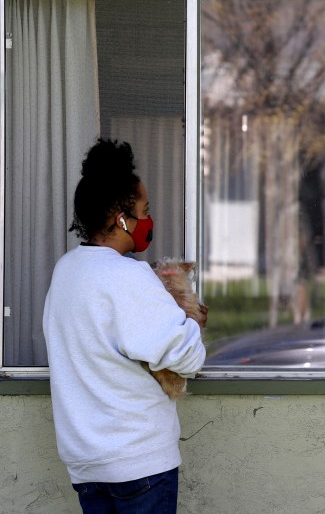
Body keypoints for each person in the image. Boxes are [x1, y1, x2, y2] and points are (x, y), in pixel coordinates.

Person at [43, 138, 206, 513]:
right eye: (145, 210)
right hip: (140, 462)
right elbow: (187, 357)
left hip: (87, 464)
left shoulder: (65, 272)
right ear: (122, 219)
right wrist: (192, 321)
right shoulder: (128, 276)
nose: (149, 219)